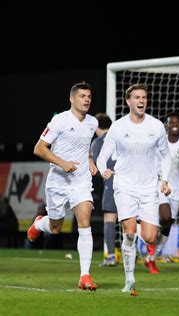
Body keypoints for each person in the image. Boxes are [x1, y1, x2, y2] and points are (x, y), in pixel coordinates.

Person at [97, 84, 171, 296]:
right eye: (137, 97)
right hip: (125, 186)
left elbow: (165, 155)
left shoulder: (156, 126)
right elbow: (103, 157)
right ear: (128, 101)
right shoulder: (119, 127)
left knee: (149, 237)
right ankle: (129, 280)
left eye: (144, 97)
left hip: (149, 188)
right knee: (129, 231)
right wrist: (104, 170)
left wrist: (164, 179)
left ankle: (136, 232)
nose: (141, 101)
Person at [27, 81, 99, 290]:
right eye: (82, 96)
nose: (86, 100)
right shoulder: (59, 121)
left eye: (89, 97)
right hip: (58, 181)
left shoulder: (92, 123)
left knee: (84, 221)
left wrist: (90, 160)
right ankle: (40, 223)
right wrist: (63, 163)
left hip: (81, 181)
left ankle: (84, 276)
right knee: (55, 228)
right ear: (72, 98)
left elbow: (84, 145)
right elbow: (39, 149)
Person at [143, 112, 179, 273]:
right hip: (160, 185)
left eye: (177, 122)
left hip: (176, 189)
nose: (174, 124)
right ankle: (149, 239)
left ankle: (152, 256)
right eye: (171, 122)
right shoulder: (159, 143)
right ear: (166, 125)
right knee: (165, 217)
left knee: (168, 224)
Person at [90, 113, 119, 267]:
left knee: (110, 219)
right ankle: (136, 255)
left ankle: (111, 256)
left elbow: (93, 166)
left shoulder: (98, 142)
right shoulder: (119, 136)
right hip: (130, 181)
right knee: (132, 220)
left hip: (112, 182)